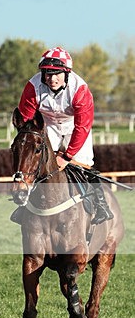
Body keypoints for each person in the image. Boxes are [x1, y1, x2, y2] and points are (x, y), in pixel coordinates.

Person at [13, 46, 113, 224]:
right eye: (47, 74)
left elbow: (82, 126)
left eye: (57, 73)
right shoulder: (32, 87)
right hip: (47, 125)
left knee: (83, 164)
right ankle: (24, 206)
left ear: (66, 73)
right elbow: (26, 119)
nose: (52, 79)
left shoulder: (80, 90)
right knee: (37, 161)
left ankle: (100, 205)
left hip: (73, 126)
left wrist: (66, 156)